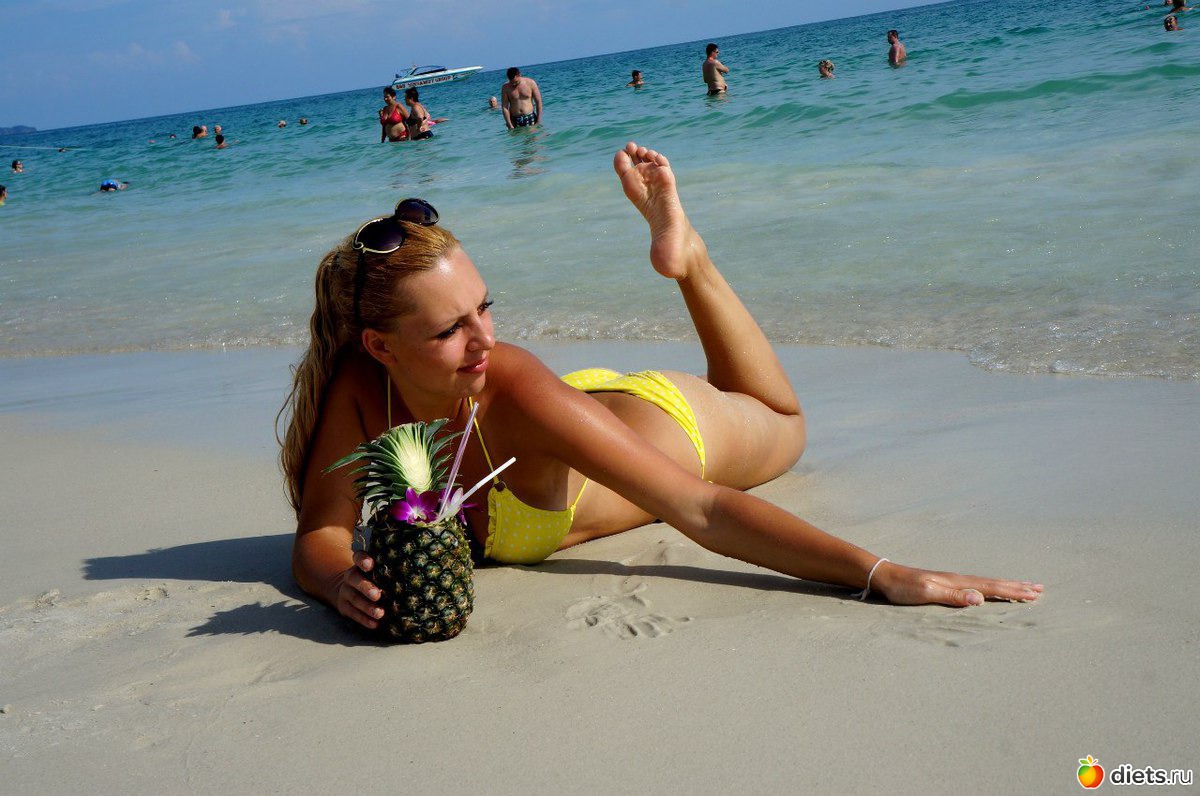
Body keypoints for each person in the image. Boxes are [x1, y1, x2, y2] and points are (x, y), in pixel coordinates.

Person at [280, 142, 1044, 631]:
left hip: (672, 427)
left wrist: (881, 573)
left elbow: (702, 510)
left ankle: (691, 260)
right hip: (581, 410)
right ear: (380, 346)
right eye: (451, 329)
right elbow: (320, 535)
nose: (485, 338)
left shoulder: (504, 380)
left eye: (485, 307)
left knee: (786, 424)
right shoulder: (364, 390)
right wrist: (342, 582)